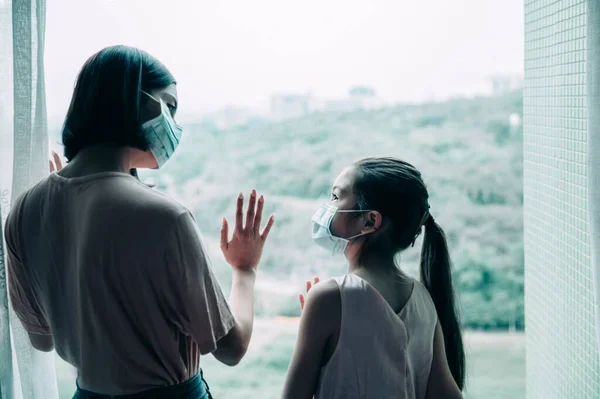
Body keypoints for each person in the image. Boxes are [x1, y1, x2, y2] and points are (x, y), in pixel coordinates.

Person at [4, 45, 274, 399]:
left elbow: (42, 340)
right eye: (169, 107)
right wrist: (245, 269)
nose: (173, 125)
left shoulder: (24, 211)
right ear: (137, 100)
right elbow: (231, 348)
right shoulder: (165, 218)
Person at [282, 157, 465, 399]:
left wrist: (323, 318)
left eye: (336, 197)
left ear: (370, 220)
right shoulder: (423, 299)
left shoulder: (329, 298)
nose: (327, 206)